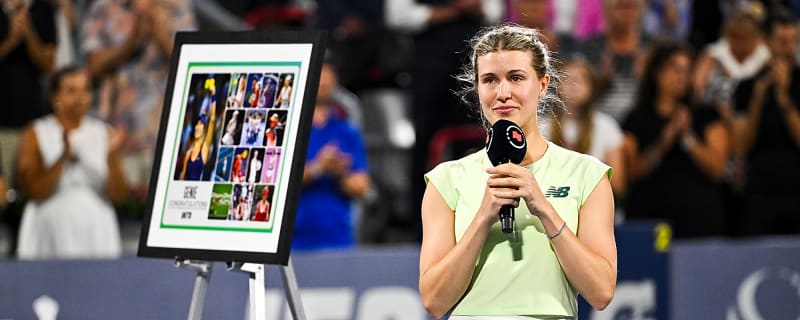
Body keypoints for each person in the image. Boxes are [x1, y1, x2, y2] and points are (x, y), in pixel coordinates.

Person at [419, 25, 616, 318]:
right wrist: (484, 216)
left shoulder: (587, 174)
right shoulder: (446, 180)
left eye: (516, 78)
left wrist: (544, 208)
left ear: (543, 84)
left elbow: (600, 292)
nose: (503, 93)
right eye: (489, 80)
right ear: (477, 89)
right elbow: (435, 300)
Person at [15, 66, 129, 259]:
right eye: (71, 91)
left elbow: (119, 196)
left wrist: (110, 156)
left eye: (85, 90)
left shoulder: (103, 133)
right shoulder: (36, 132)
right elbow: (33, 191)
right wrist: (63, 158)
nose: (81, 98)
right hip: (50, 233)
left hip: (96, 233)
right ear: (54, 97)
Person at [622, 41, 730, 238]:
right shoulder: (636, 118)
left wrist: (688, 138)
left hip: (699, 220)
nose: (681, 77)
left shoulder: (707, 115)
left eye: (687, 71)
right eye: (675, 69)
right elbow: (631, 172)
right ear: (657, 72)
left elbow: (717, 168)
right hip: (651, 220)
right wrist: (664, 142)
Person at [732, 7, 800, 235]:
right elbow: (740, 147)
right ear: (767, 41)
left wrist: (784, 99)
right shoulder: (747, 87)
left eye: (794, 41)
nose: (789, 49)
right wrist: (758, 102)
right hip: (760, 193)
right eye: (782, 41)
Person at [293, 61, 371, 251]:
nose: (324, 81)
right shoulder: (290, 129)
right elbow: (280, 182)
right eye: (319, 76)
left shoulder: (347, 131)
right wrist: (319, 167)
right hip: (294, 240)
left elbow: (361, 187)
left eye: (328, 75)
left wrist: (339, 171)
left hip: (338, 238)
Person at [544, 57, 627, 198]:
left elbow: (618, 185)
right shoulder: (541, 128)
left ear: (592, 87)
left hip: (596, 205)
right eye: (567, 79)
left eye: (580, 79)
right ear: (557, 86)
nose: (573, 85)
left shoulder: (607, 126)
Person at [179, 77, 217, 181]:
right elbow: (182, 175)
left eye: (201, 124)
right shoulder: (188, 153)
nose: (197, 127)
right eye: (197, 124)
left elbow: (212, 119)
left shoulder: (204, 148)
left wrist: (214, 94)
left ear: (204, 129)